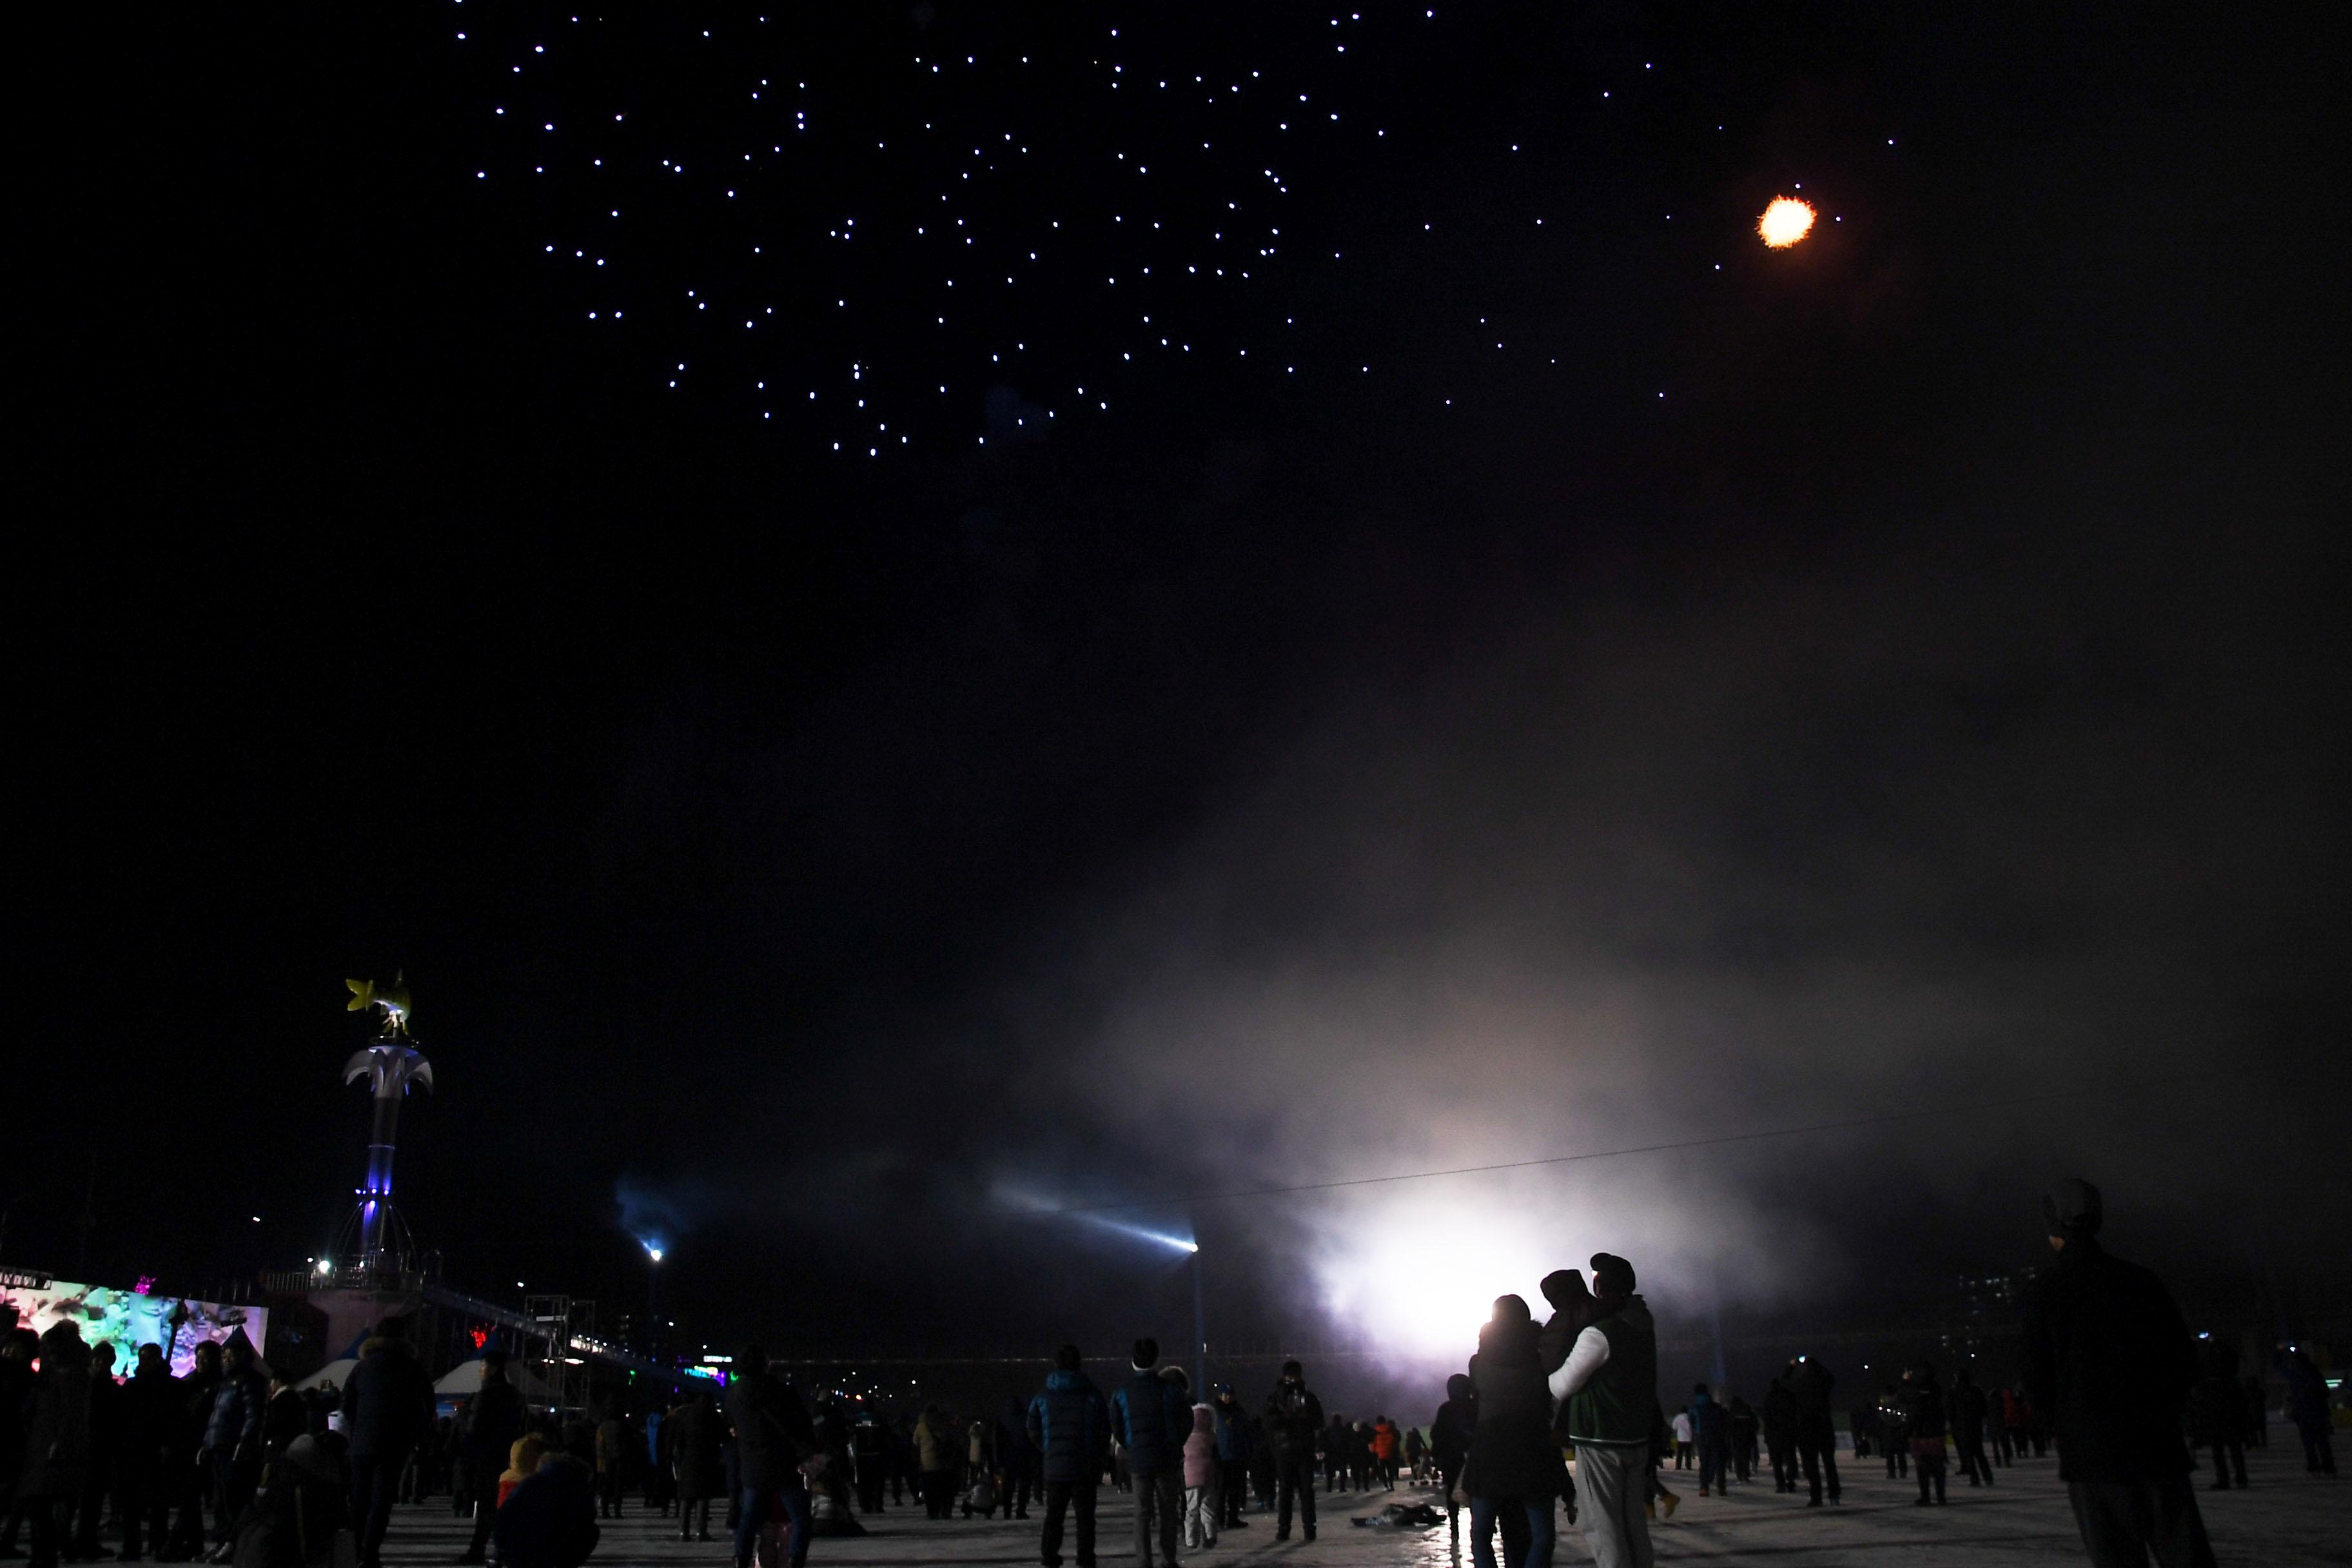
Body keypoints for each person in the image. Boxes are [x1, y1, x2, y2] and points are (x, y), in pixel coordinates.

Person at [2021, 1179, 2215, 1568]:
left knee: (2116, 1556)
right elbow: (2182, 1359)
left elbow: (2037, 1375)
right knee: (2184, 1554)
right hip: (2156, 1444)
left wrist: (2059, 1422)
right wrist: (2166, 1409)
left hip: (2092, 1452)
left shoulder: (2046, 1291)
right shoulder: (2140, 1280)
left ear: (2054, 1230)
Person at [1550, 1253, 1657, 1568]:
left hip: (1601, 1440)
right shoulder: (1643, 1323)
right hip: (1635, 1439)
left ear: (1598, 1287)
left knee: (1603, 1528)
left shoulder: (1600, 1333)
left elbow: (1561, 1385)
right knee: (1633, 1526)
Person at [1465, 1296, 1562, 1568]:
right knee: (1541, 1534)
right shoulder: (1541, 1360)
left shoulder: (1478, 1362)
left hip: (1489, 1450)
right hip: (1533, 1446)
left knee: (1481, 1535)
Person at [342, 1320, 435, 1568]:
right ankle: (370, 1553)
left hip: (362, 1442)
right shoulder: (413, 1368)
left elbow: (346, 1403)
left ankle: (355, 1549)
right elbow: (426, 1406)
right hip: (395, 1444)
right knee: (381, 1502)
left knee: (359, 1500)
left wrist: (359, 1426)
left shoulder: (362, 1368)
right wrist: (419, 1438)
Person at [724, 1348, 814, 1568]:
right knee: (800, 1518)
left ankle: (741, 1560)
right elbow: (802, 1423)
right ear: (766, 1365)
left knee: (749, 1519)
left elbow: (732, 1427)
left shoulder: (733, 1395)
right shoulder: (782, 1392)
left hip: (752, 1466)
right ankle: (796, 1559)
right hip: (784, 1464)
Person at [20, 1324, 95, 1568]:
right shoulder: (69, 1372)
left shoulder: (68, 1374)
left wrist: (58, 1444)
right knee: (41, 1506)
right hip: (48, 1446)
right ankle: (44, 1555)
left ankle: (44, 1557)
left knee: (41, 1506)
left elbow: (70, 1415)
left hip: (52, 1450)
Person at [1027, 1345, 1108, 1568]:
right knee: (1085, 1518)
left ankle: (1050, 1555)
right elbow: (1103, 1429)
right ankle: (1085, 1557)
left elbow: (1032, 1427)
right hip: (1084, 1465)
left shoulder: (1043, 1397)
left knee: (1054, 1515)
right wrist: (1095, 1454)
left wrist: (1048, 1448)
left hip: (1055, 1465)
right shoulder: (1092, 1395)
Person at [1110, 1342, 1188, 1568]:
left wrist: (1131, 1446)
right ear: (1157, 1360)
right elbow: (1185, 1420)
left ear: (1133, 1361)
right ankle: (1168, 1559)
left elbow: (1116, 1425)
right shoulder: (1171, 1390)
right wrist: (1175, 1444)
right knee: (1168, 1512)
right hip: (1166, 1459)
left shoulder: (1122, 1392)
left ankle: (1144, 1562)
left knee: (1142, 1514)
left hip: (1139, 1459)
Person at [204, 1335, 270, 1562]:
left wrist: (245, 1442)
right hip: (219, 1446)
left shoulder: (252, 1381)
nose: (225, 1358)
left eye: (230, 1353)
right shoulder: (225, 1383)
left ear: (243, 1355)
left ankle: (234, 1544)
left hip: (235, 1449)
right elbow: (216, 1416)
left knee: (235, 1501)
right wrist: (207, 1443)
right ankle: (223, 1542)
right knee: (220, 1501)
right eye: (224, 1354)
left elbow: (254, 1415)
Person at [456, 1351, 526, 1563]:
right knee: (503, 1503)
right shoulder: (514, 1395)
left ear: (493, 1369)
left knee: (487, 1505)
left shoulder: (485, 1395)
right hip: (510, 1457)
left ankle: (480, 1549)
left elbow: (473, 1430)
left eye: (483, 1366)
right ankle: (505, 1547)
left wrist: (467, 1456)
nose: (480, 1370)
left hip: (487, 1457)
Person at [120, 1342, 181, 1561]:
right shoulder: (133, 1385)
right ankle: (132, 1546)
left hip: (156, 1449)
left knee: (158, 1502)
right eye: (144, 1357)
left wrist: (167, 1444)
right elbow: (124, 1418)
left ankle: (157, 1544)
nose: (147, 1362)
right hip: (134, 1448)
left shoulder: (170, 1386)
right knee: (132, 1502)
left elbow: (173, 1419)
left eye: (151, 1358)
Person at [493, 1451, 597, 1568]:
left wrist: (500, 1549)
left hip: (518, 1547)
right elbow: (586, 1520)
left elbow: (505, 1514)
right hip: (553, 1550)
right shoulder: (578, 1489)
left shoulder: (529, 1483)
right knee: (590, 1531)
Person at [1262, 1361, 1322, 1544]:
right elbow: (1267, 1423)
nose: (1292, 1380)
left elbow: (1319, 1421)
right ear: (1284, 1376)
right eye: (1289, 1376)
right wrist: (1284, 1416)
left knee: (1306, 1490)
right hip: (1284, 1450)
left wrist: (1306, 1416)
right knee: (1286, 1491)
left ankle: (1309, 1528)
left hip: (1304, 1449)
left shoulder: (1309, 1397)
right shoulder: (1275, 1398)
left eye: (1295, 1376)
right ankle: (1284, 1529)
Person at [2187, 1344, 2246, 1491]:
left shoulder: (2207, 1385)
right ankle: (2240, 1477)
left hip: (2216, 1420)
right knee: (2234, 1450)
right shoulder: (2231, 1382)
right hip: (2230, 1419)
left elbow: (2200, 1403)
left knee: (2219, 1451)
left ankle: (2224, 1478)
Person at [668, 1387, 723, 1542]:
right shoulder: (713, 1417)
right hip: (707, 1461)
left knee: (687, 1497)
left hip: (688, 1461)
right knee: (703, 1498)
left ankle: (683, 1531)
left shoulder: (687, 1416)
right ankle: (701, 1531)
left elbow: (679, 1441)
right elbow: (724, 1437)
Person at [1786, 1355, 1840, 1507]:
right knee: (1829, 1464)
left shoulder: (1800, 1386)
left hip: (1806, 1428)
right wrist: (1816, 1364)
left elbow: (1785, 1381)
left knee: (1811, 1466)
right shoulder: (1822, 1385)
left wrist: (1791, 1366)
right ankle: (1834, 1494)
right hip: (1824, 1427)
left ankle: (1816, 1496)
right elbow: (1830, 1378)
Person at [2277, 1346, 2335, 1476]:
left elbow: (2279, 1366)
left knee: (2309, 1443)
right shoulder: (2315, 1375)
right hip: (2319, 1413)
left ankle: (2314, 1466)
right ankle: (2328, 1467)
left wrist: (2280, 1351)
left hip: (2303, 1414)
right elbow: (2326, 1393)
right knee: (2323, 1442)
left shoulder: (2295, 1376)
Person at [1429, 1374, 1475, 1540]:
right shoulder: (1474, 1406)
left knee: (1451, 1494)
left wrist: (1436, 1456)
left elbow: (1437, 1434)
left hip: (1451, 1459)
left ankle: (1454, 1526)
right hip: (1473, 1457)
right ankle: (1478, 1526)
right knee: (1476, 1493)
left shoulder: (1446, 1409)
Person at [1901, 1364, 1947, 1506]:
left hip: (1921, 1434)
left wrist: (1908, 1430)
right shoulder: (1937, 1390)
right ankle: (1940, 1496)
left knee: (1923, 1468)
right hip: (1936, 1433)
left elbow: (1908, 1402)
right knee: (1938, 1467)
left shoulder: (1917, 1392)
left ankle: (1926, 1496)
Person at [1208, 1386, 1250, 1529]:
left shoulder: (1239, 1411)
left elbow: (1246, 1432)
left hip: (1237, 1456)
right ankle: (1220, 1519)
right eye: (1225, 1395)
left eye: (1230, 1395)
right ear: (1220, 1395)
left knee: (1235, 1491)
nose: (1228, 1398)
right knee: (1220, 1490)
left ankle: (1233, 1518)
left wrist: (1246, 1451)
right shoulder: (1214, 1412)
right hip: (1221, 1456)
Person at [1181, 1403, 1217, 1550]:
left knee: (1191, 1509)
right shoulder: (1211, 1436)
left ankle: (1191, 1540)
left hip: (1190, 1477)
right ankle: (1210, 1535)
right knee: (1207, 1507)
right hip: (1208, 1474)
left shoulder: (1185, 1436)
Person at [1950, 1368, 1995, 1487]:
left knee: (1968, 1454)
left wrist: (1953, 1422)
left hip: (1962, 1425)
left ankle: (1974, 1478)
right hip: (1975, 1425)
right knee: (1980, 1453)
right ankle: (1988, 1477)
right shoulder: (1976, 1390)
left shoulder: (1956, 1392)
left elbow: (1951, 1410)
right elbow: (1984, 1407)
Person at [1758, 1376, 1795, 1493]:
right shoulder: (1788, 1397)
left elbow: (1765, 1417)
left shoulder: (1769, 1399)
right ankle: (1790, 1481)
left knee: (1777, 1463)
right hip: (1788, 1433)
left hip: (1774, 1434)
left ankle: (1781, 1484)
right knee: (1790, 1459)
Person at [1725, 1395, 1758, 1485]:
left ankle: (1739, 1476)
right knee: (1746, 1458)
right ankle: (1746, 1476)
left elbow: (1728, 1426)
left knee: (1737, 1458)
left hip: (1735, 1439)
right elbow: (1755, 1424)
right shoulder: (1748, 1411)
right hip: (1747, 1438)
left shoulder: (1732, 1412)